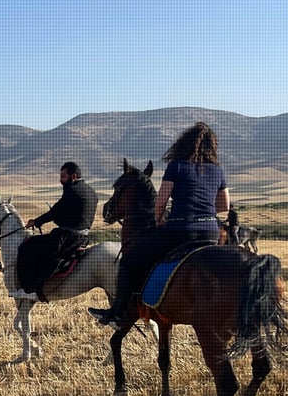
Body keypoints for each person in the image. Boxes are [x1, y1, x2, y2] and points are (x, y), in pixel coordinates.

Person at [91, 122, 230, 327]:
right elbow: (224, 205)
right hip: (211, 234)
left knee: (129, 261)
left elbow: (161, 202)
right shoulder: (217, 170)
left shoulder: (177, 166)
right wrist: (205, 214)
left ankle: (117, 313)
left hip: (180, 231)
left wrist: (159, 218)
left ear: (183, 144)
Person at [14, 162, 97, 301]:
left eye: (63, 176)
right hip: (83, 238)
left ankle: (28, 289)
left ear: (74, 176)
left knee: (26, 247)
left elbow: (55, 212)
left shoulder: (72, 190)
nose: (61, 180)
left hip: (66, 237)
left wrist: (36, 221)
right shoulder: (91, 191)